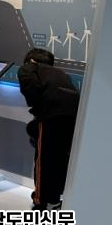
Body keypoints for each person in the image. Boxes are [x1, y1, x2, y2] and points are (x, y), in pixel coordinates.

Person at [17, 48, 80, 211]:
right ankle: (54, 199)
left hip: (50, 116)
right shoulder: (61, 74)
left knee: (43, 161)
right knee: (60, 161)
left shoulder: (29, 68)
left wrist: (37, 108)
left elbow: (32, 92)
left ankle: (40, 203)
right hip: (72, 118)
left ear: (30, 60)